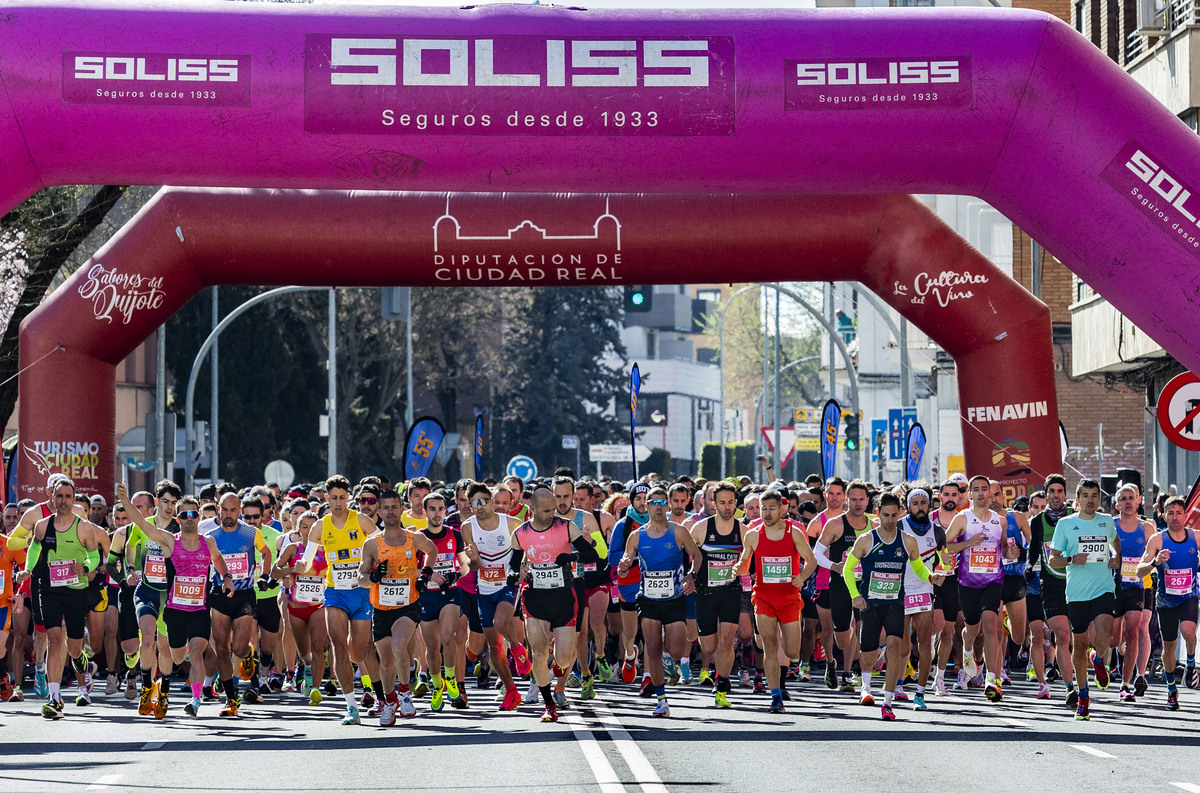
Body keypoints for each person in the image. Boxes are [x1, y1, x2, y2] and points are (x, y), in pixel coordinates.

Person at [119, 485, 233, 718]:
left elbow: (219, 559)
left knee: (195, 651)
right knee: (174, 654)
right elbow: (141, 524)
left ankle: (195, 700)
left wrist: (227, 578)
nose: (189, 518)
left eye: (193, 514)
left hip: (199, 608)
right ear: (178, 519)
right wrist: (124, 500)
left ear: (199, 516)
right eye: (184, 515)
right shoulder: (169, 541)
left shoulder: (208, 541)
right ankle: (152, 684)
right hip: (170, 606)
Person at [14, 477, 101, 719]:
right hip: (49, 588)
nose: (63, 501)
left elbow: (95, 558)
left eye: (68, 497)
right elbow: (34, 549)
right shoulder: (42, 525)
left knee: (73, 647)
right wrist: (28, 570)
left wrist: (84, 565)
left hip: (75, 589)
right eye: (59, 496)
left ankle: (81, 660)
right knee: (53, 637)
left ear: (74, 500)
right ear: (52, 497)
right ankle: (54, 699)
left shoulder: (84, 527)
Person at [843, 492, 935, 720]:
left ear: (900, 513)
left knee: (895, 647)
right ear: (877, 513)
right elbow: (847, 569)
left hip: (895, 602)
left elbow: (919, 567)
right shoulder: (866, 540)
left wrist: (931, 577)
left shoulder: (908, 541)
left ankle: (888, 701)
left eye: (894, 515)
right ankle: (865, 688)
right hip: (870, 603)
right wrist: (855, 595)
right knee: (869, 652)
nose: (890, 520)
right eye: (886, 515)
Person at [298, 474, 380, 724]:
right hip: (335, 592)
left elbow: (382, 546)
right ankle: (351, 706)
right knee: (338, 646)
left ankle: (382, 696)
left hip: (362, 593)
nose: (337, 503)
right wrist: (302, 565)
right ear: (326, 498)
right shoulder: (320, 526)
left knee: (361, 650)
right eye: (333, 498)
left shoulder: (362, 520)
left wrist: (375, 568)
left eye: (342, 498)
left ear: (349, 498)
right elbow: (308, 558)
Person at [515, 487, 602, 722]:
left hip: (564, 597)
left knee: (563, 658)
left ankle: (559, 659)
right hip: (534, 598)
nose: (551, 514)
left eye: (553, 509)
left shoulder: (566, 526)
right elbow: (514, 564)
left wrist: (571, 557)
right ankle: (549, 705)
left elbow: (592, 555)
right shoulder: (521, 532)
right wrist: (517, 572)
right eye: (545, 510)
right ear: (532, 509)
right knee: (539, 652)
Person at [616, 486, 701, 718]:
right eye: (653, 503)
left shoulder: (679, 531)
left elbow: (697, 555)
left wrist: (692, 574)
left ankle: (669, 661)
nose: (658, 507)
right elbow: (623, 571)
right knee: (652, 648)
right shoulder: (636, 536)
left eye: (662, 503)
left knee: (674, 650)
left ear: (668, 505)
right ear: (647, 506)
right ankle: (662, 700)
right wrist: (623, 567)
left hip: (674, 598)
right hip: (648, 599)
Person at [358, 489, 437, 724]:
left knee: (400, 645)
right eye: (386, 508)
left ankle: (404, 692)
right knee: (386, 660)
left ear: (402, 508)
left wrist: (426, 575)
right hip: (381, 609)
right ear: (379, 511)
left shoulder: (414, 538)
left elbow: (432, 551)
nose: (391, 512)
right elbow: (361, 578)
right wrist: (373, 577)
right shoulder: (372, 544)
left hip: (408, 604)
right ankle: (389, 702)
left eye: (395, 507)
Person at [737, 489, 817, 714]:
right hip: (763, 595)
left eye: (772, 508)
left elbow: (811, 559)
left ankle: (787, 656)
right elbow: (745, 562)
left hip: (789, 597)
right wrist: (738, 568)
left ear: (781, 509)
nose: (767, 512)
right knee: (769, 647)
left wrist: (801, 577)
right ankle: (775, 697)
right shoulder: (752, 534)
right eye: (763, 508)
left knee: (792, 651)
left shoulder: (794, 532)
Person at [1048, 478, 1119, 720]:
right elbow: (1052, 559)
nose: (1090, 500)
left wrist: (1116, 556)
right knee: (1078, 646)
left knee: (1106, 635)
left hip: (1103, 587)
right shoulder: (1066, 524)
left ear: (1099, 499)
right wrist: (1070, 560)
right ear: (1077, 500)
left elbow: (1115, 541)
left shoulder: (1106, 521)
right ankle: (1083, 696)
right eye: (1086, 496)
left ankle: (1098, 659)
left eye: (1094, 495)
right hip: (1077, 593)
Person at [460, 482, 530, 711]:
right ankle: (511, 691)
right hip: (485, 587)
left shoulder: (512, 524)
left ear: (491, 501)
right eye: (474, 503)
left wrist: (522, 570)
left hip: (507, 585)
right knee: (493, 647)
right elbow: (474, 565)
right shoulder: (467, 527)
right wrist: (472, 558)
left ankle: (518, 648)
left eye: (483, 501)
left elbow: (528, 552)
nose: (479, 507)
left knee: (501, 623)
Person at [944, 475, 1010, 703]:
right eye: (977, 489)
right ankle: (968, 648)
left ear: (990, 494)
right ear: (969, 494)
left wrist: (1011, 553)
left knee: (991, 626)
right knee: (972, 628)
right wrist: (967, 544)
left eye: (985, 489)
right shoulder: (963, 518)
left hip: (993, 580)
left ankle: (993, 680)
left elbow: (1004, 549)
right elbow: (945, 547)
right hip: (968, 582)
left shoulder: (1000, 521)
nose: (982, 493)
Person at [207, 493, 273, 718]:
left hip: (245, 595)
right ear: (218, 509)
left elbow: (266, 552)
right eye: (224, 510)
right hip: (219, 594)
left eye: (233, 510)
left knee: (239, 648)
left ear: (239, 511)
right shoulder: (210, 537)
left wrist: (264, 575)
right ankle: (231, 699)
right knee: (222, 650)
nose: (228, 515)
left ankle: (248, 654)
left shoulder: (250, 532)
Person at [1134, 496, 1199, 711]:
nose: (1175, 517)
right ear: (1164, 516)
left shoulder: (1195, 537)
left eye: (1179, 513)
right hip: (1165, 599)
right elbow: (1139, 570)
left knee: (1189, 631)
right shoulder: (1157, 540)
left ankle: (1190, 665)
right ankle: (1172, 690)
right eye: (1170, 513)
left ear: (1185, 515)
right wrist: (1155, 562)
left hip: (1189, 595)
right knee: (1169, 646)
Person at [690, 481, 746, 708]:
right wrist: (688, 577)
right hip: (705, 592)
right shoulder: (701, 528)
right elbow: (688, 558)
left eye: (731, 502)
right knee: (709, 646)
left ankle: (723, 684)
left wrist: (743, 567)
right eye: (722, 502)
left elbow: (749, 559)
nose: (727, 507)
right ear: (713, 504)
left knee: (727, 640)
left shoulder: (743, 531)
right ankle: (715, 670)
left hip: (731, 591)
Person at [813, 478, 871, 694]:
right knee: (843, 639)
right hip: (839, 585)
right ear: (847, 500)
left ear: (867, 501)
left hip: (865, 585)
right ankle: (832, 664)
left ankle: (851, 672)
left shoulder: (873, 525)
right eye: (853, 499)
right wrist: (833, 566)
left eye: (861, 499)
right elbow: (816, 553)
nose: (857, 503)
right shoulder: (835, 524)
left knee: (864, 627)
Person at [416, 491, 470, 713]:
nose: (437, 514)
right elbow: (411, 569)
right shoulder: (418, 538)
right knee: (431, 647)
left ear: (446, 510)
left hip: (450, 592)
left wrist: (455, 576)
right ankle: (436, 684)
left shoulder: (454, 535)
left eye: (441, 509)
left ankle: (450, 680)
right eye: (432, 509)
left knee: (449, 637)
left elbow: (464, 565)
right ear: (424, 511)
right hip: (427, 595)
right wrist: (428, 575)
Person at [1030, 474, 1080, 705]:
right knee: (1062, 636)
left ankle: (1093, 663)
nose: (1056, 495)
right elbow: (1034, 551)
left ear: (1065, 494)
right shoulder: (1037, 521)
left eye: (1060, 491)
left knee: (1084, 639)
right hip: (1051, 584)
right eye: (1052, 491)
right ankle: (1070, 687)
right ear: (1046, 494)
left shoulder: (1075, 518)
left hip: (1079, 583)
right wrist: (1029, 568)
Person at [898, 485, 944, 710]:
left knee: (925, 643)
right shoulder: (899, 526)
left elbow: (945, 560)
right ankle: (897, 685)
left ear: (930, 504)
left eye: (923, 503)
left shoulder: (937, 531)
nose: (919, 507)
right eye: (914, 503)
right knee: (900, 643)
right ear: (907, 506)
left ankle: (920, 692)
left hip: (924, 590)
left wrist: (943, 572)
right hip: (899, 590)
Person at [1111, 483, 1155, 702]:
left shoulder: (1147, 528)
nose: (1127, 502)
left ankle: (1127, 684)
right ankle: (1098, 656)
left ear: (1138, 501)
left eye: (1131, 498)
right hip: (1113, 586)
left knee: (1135, 632)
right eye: (1123, 498)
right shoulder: (1109, 525)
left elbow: (1156, 555)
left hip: (1138, 586)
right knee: (1113, 639)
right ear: (1117, 504)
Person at [608, 483, 650, 685]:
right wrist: (632, 556)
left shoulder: (660, 523)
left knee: (651, 631)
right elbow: (612, 557)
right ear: (632, 501)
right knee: (630, 632)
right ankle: (630, 655)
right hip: (628, 585)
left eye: (646, 499)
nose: (643, 503)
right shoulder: (622, 525)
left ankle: (649, 676)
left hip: (653, 585)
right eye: (639, 499)